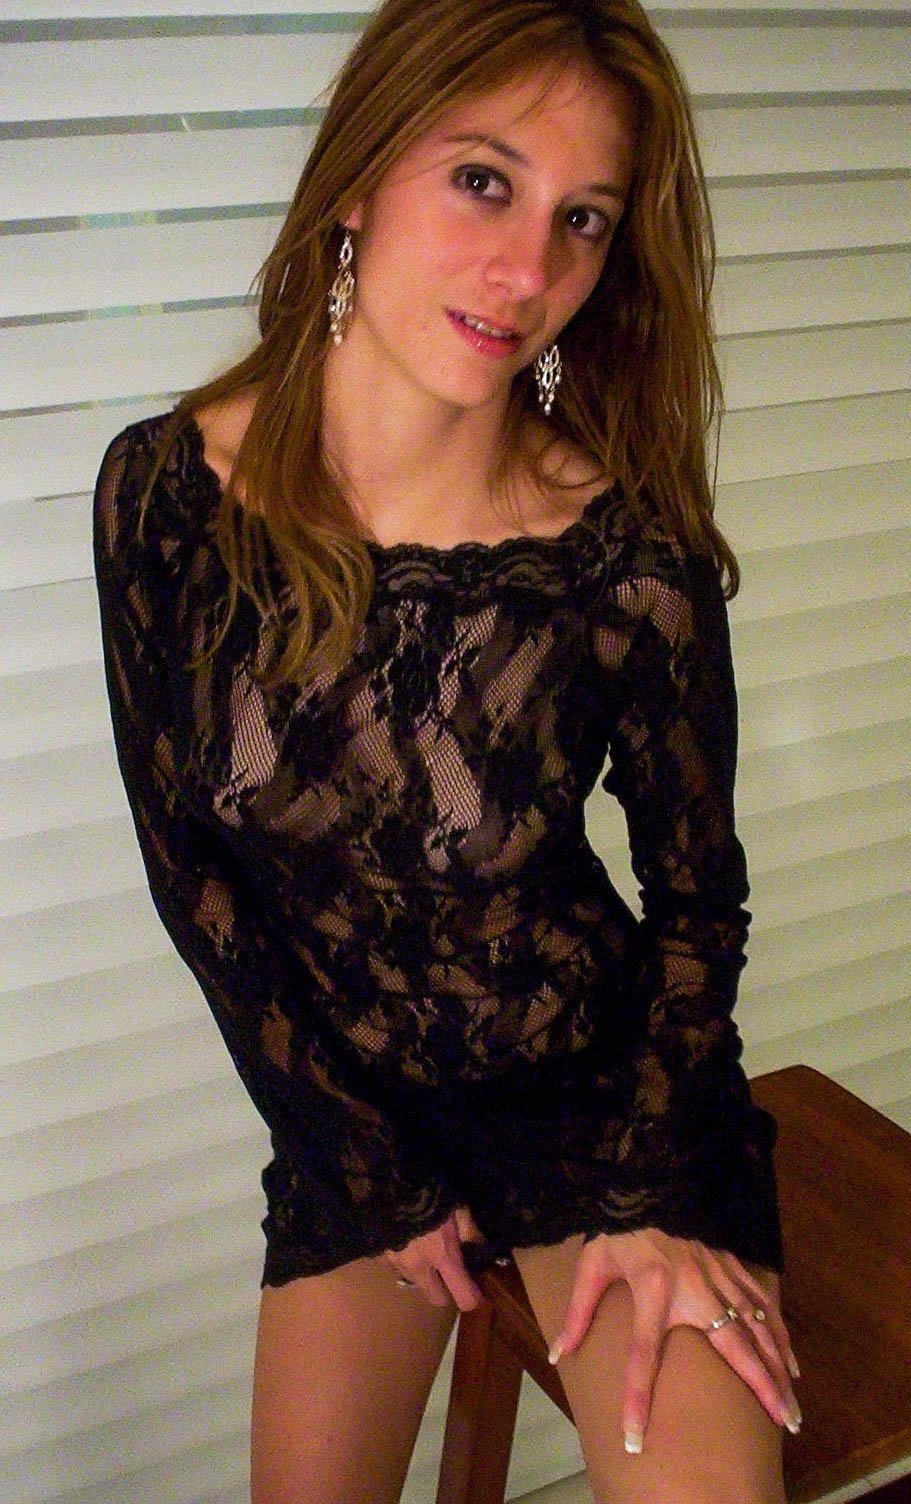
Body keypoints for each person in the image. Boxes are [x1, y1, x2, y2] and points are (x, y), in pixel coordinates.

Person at [93, 1, 802, 1500]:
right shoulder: (166, 495)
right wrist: (365, 1161)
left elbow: (697, 906)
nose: (528, 271)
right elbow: (192, 867)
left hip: (603, 1104)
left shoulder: (620, 553)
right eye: (484, 180)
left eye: (583, 219)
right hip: (350, 1107)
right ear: (360, 172)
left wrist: (651, 1192)